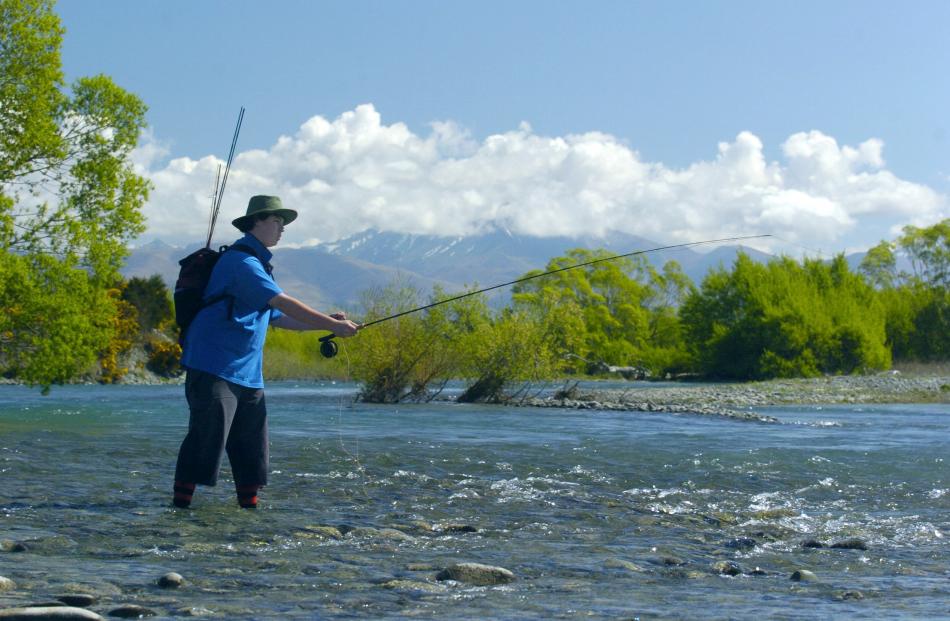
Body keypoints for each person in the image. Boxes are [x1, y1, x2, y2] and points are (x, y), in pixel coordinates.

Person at [172, 195, 360, 509]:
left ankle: (250, 514)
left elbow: (279, 318)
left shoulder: (259, 265)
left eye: (283, 223)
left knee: (252, 449)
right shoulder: (241, 262)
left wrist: (327, 324)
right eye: (276, 221)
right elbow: (282, 302)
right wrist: (332, 324)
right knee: (206, 439)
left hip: (248, 374)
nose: (282, 229)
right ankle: (178, 512)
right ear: (255, 222)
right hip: (213, 365)